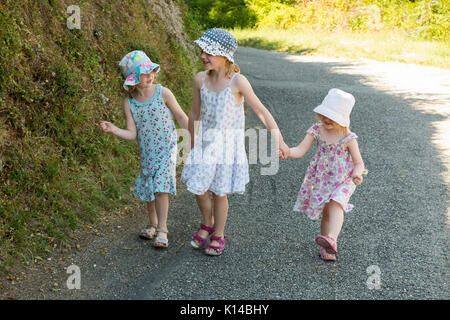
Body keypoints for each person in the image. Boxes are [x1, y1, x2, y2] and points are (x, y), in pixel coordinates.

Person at [182, 28, 290, 256]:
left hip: (226, 149)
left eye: (209, 52)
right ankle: (206, 222)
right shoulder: (200, 79)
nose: (203, 55)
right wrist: (190, 142)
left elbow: (261, 111)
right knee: (199, 189)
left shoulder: (237, 82)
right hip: (204, 145)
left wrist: (279, 141)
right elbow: (194, 113)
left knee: (219, 193)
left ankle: (218, 234)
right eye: (202, 50)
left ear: (225, 55)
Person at [100, 50, 188, 248]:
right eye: (144, 73)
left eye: (151, 71)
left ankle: (163, 229)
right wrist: (114, 129)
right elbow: (132, 133)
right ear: (132, 78)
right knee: (150, 186)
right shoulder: (129, 102)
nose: (150, 76)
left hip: (167, 147)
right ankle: (153, 223)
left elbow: (181, 116)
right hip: (147, 150)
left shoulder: (162, 92)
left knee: (161, 187)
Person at [280, 88, 366, 261]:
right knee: (326, 213)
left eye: (332, 117)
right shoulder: (316, 130)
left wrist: (357, 174)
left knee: (336, 203)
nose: (327, 119)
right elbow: (301, 149)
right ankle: (326, 246)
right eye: (324, 115)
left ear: (342, 119)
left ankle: (332, 238)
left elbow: (359, 162)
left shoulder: (348, 137)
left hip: (344, 179)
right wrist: (288, 152)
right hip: (322, 179)